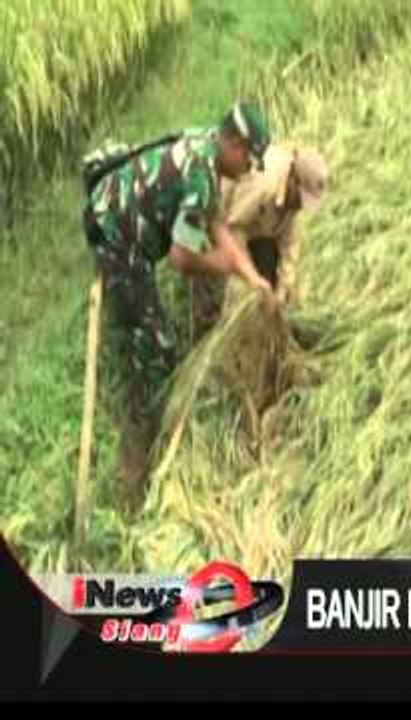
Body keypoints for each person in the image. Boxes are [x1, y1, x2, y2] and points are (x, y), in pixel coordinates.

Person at [81, 100, 277, 510]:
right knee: (159, 352)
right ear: (236, 145)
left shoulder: (205, 141)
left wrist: (249, 274)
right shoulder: (200, 176)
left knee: (170, 319)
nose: (250, 171)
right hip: (117, 234)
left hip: (118, 202)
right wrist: (218, 263)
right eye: (250, 160)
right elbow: (181, 259)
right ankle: (142, 437)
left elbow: (216, 223)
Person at [190, 144, 330, 340]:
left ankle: (262, 333)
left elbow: (289, 244)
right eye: (301, 198)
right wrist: (251, 278)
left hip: (250, 225)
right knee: (215, 293)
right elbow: (233, 230)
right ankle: (208, 341)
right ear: (293, 180)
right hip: (217, 217)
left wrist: (281, 292)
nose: (301, 206)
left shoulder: (292, 202)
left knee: (268, 281)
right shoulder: (263, 184)